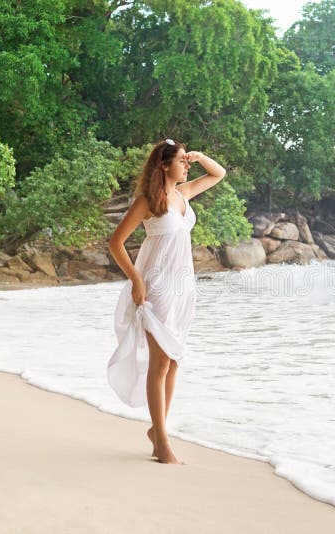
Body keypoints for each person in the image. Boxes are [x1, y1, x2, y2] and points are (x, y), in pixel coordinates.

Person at [107, 138, 226, 464]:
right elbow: (116, 243)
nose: (187, 166)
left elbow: (219, 174)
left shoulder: (182, 195)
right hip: (157, 286)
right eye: (182, 161)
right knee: (160, 364)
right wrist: (136, 279)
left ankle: (157, 430)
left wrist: (199, 156)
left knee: (173, 361)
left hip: (182, 287)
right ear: (163, 165)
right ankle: (161, 441)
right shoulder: (148, 201)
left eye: (188, 162)